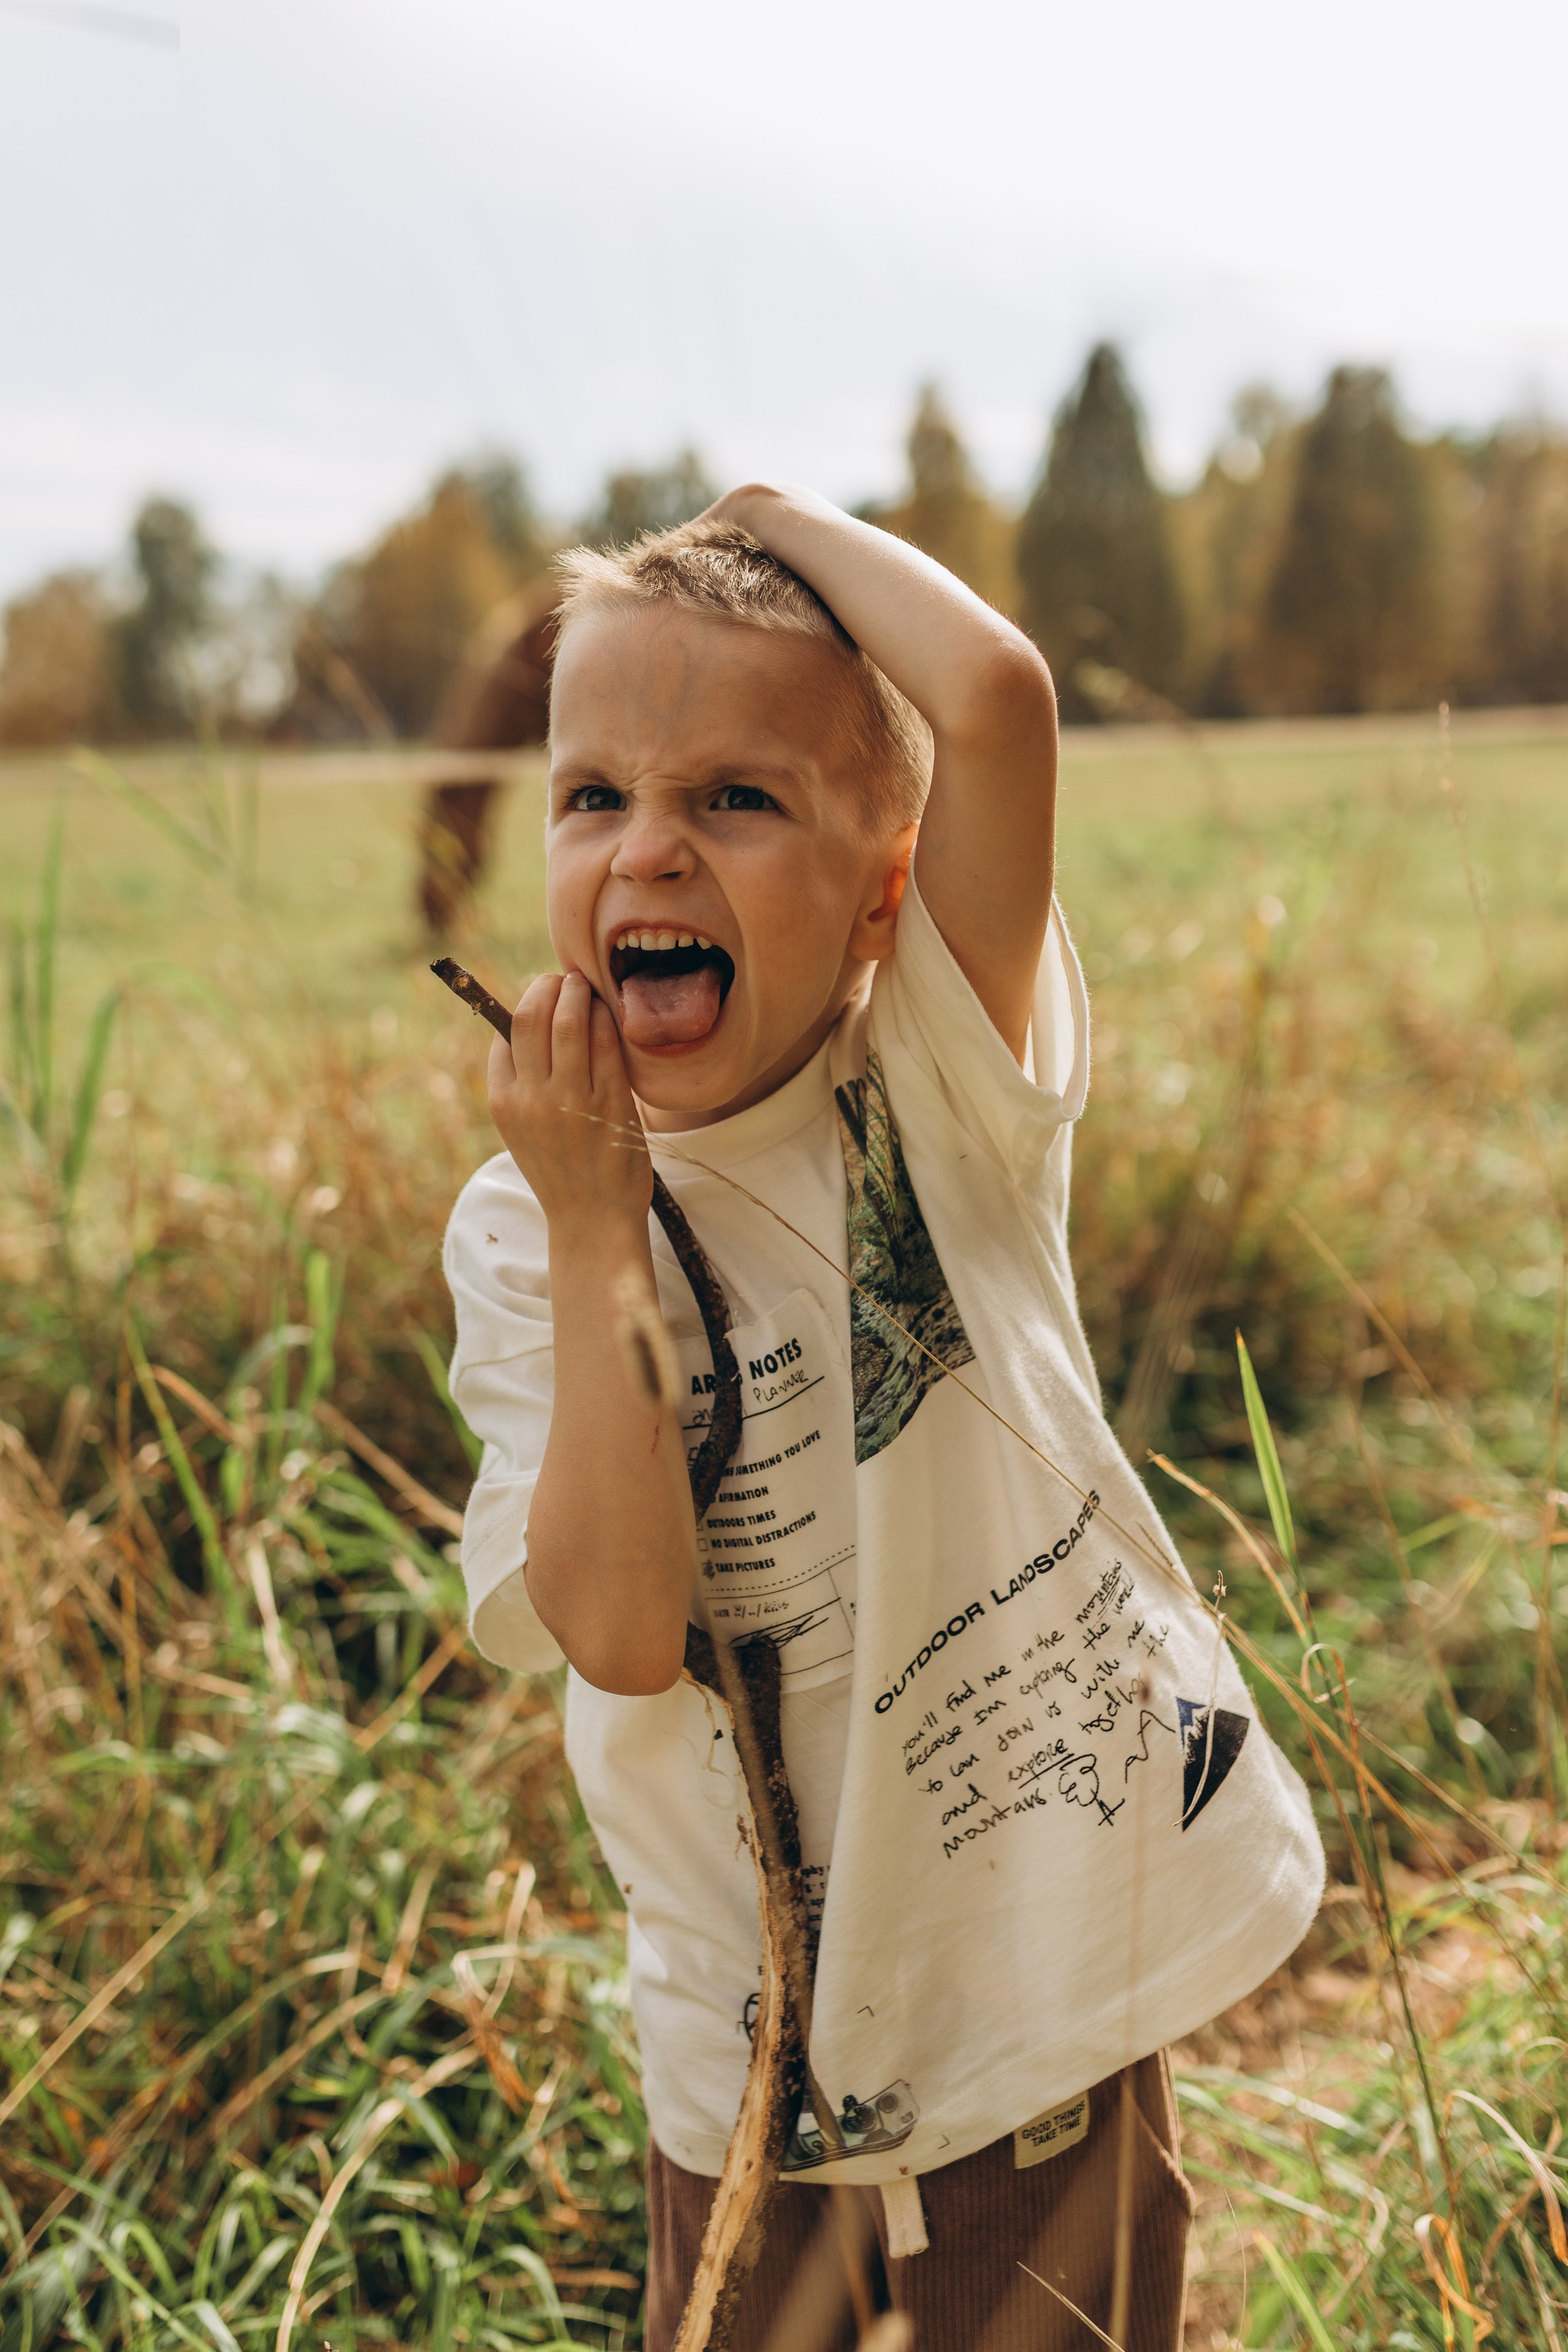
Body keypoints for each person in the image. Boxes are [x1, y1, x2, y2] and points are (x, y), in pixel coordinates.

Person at [443, 488, 1324, 2350]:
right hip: (746, 2042)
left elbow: (995, 697)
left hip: (1032, 1978)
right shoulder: (531, 1228)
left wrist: (761, 516)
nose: (649, 854)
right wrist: (605, 1222)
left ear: (886, 884)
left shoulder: (932, 1086)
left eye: (735, 797)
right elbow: (614, 1630)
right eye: (594, 794)